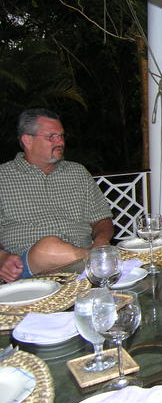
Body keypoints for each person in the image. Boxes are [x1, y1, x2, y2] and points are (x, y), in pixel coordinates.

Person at [0, 108, 114, 283]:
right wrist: (2, 257)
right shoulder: (3, 177)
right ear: (27, 140)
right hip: (30, 268)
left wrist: (101, 240)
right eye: (51, 137)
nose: (60, 141)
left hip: (78, 267)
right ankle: (101, 263)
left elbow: (102, 220)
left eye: (61, 136)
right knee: (48, 247)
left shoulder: (77, 172)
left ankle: (96, 263)